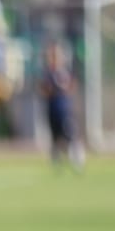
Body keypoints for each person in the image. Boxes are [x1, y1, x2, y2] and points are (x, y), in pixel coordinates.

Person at [38, 41, 83, 171]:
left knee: (70, 134)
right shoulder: (47, 73)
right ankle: (56, 162)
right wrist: (50, 90)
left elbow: (72, 86)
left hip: (64, 109)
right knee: (55, 137)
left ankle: (76, 159)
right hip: (52, 109)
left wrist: (64, 89)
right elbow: (43, 90)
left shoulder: (65, 71)